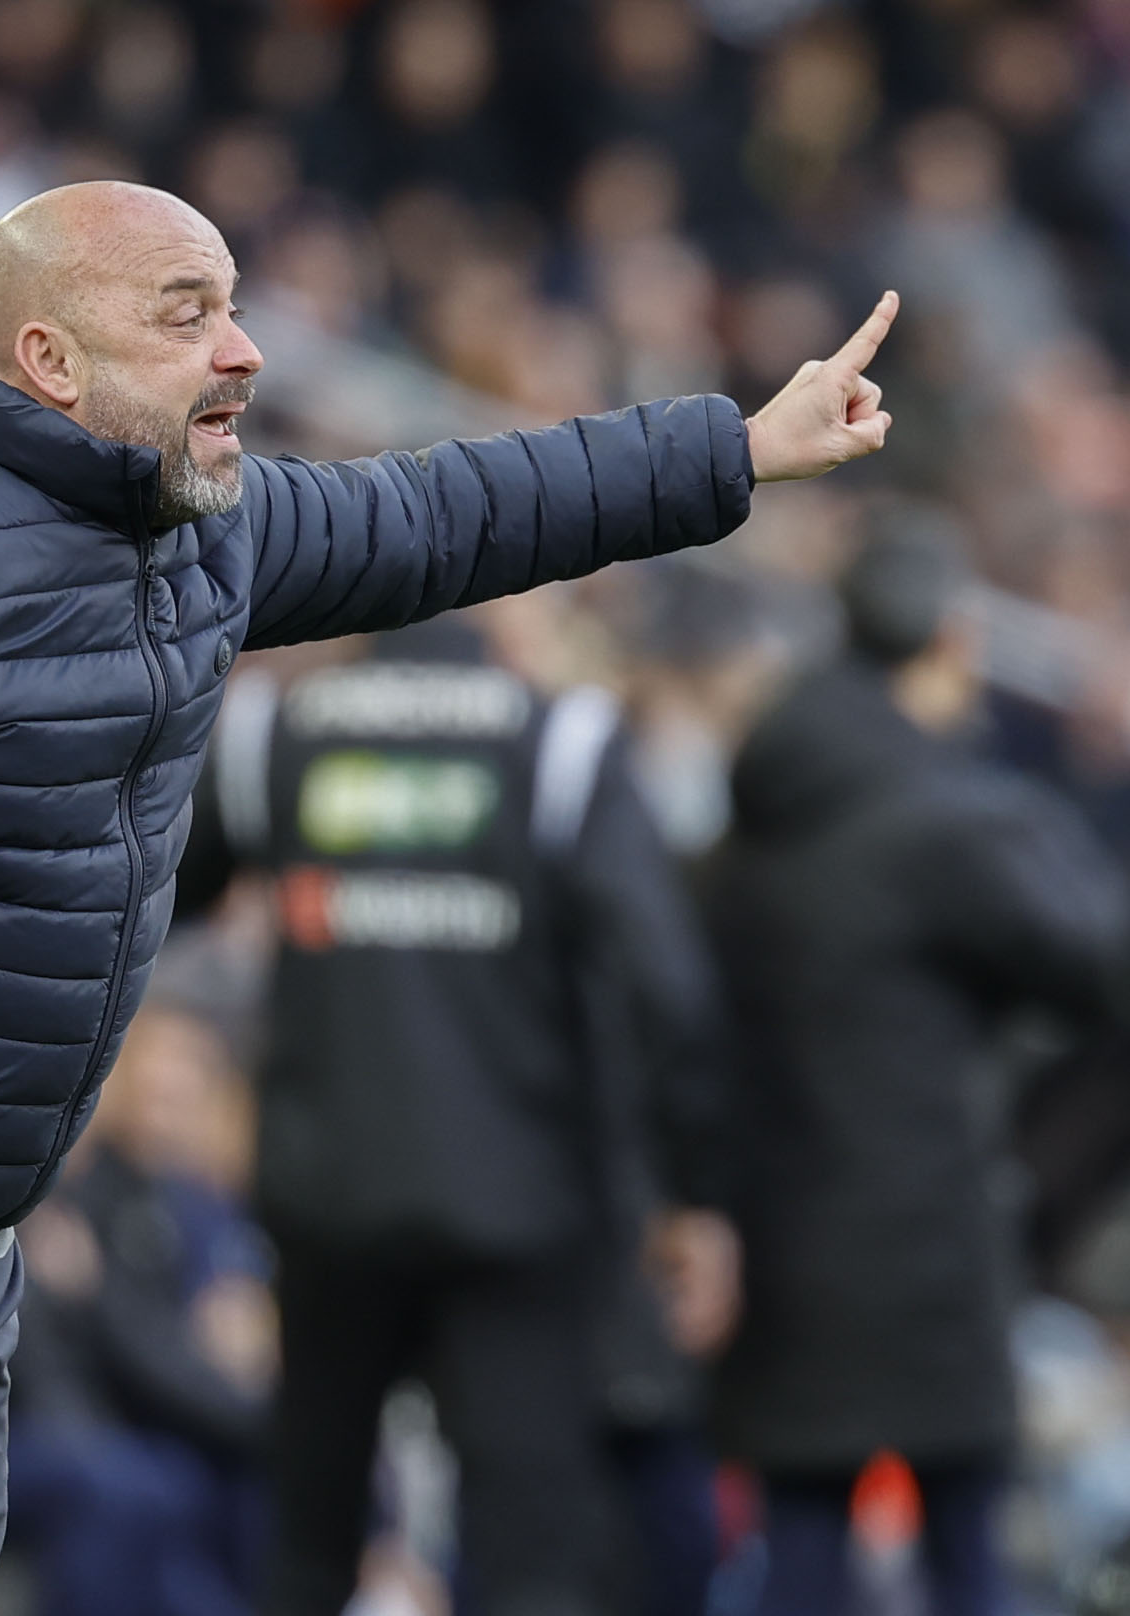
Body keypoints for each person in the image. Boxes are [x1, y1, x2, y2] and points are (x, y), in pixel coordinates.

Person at [0, 178, 901, 1616]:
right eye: (187, 314)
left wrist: (736, 452)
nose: (245, 351)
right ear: (50, 361)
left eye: (238, 306)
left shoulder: (195, 529)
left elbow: (457, 510)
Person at [183, 610, 738, 1616]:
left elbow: (142, 896)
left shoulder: (276, 733)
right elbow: (672, 992)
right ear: (497, 611)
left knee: (307, 1551)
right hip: (517, 1219)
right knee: (533, 1564)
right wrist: (695, 1194)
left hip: (327, 1208)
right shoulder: (561, 745)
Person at [706, 521, 1130, 1616]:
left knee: (798, 1549)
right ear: (952, 640)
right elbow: (1103, 966)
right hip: (930, 1248)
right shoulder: (946, 823)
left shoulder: (750, 817)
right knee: (964, 1557)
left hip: (784, 1242)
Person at [6, 1001, 269, 1616]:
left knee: (232, 1480)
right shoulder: (67, 1198)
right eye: (155, 1074)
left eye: (185, 1078)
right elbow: (122, 1353)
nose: (167, 1092)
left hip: (163, 1420)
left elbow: (218, 1340)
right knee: (139, 1488)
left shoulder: (203, 1212)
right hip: (57, 1425)